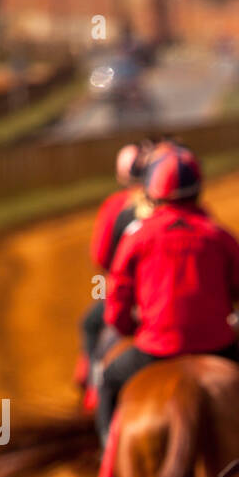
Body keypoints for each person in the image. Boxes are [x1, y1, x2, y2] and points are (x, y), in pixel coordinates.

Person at [96, 143, 239, 447]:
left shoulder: (136, 238)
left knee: (108, 382)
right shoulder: (220, 236)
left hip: (154, 348)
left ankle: (110, 464)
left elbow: (115, 308)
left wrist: (133, 330)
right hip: (217, 347)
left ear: (152, 193)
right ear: (198, 191)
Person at [78, 141, 152, 383]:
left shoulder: (116, 206)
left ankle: (93, 379)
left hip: (132, 299)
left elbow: (101, 257)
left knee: (89, 325)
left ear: (123, 175)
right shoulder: (182, 209)